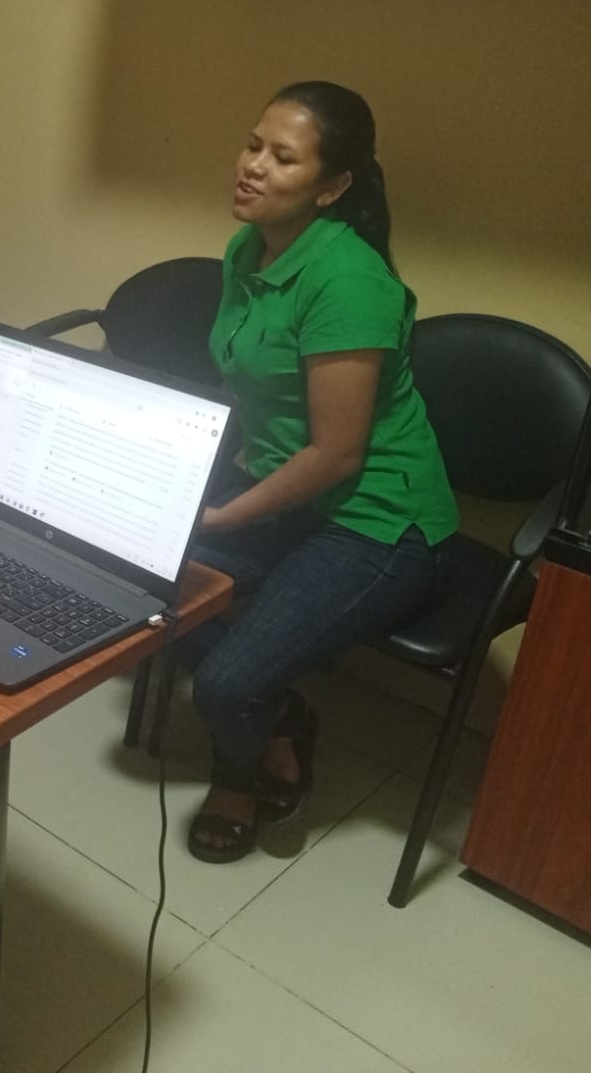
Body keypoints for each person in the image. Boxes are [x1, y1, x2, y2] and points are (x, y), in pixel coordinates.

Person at [184, 81, 457, 863]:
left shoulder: (348, 281)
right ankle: (280, 715)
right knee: (133, 580)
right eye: (253, 145)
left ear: (332, 187)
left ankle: (240, 774)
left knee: (226, 682)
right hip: (290, 490)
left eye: (283, 158)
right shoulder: (248, 249)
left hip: (377, 523)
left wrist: (222, 516)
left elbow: (337, 453)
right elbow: (257, 388)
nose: (253, 167)